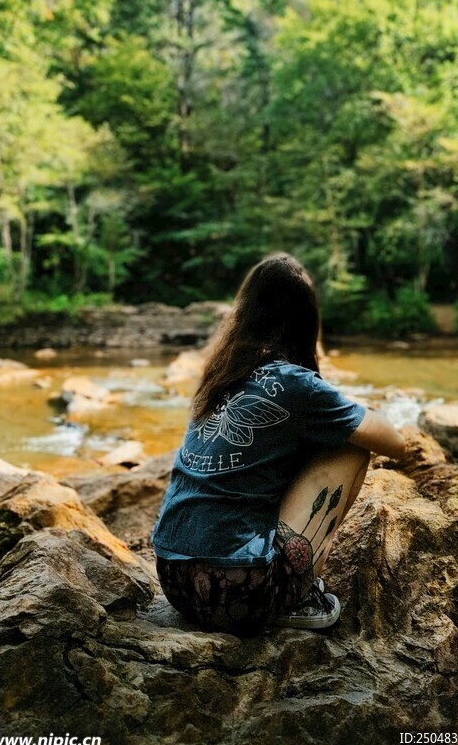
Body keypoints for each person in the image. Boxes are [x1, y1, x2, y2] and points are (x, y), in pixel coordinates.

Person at [151, 251, 412, 638]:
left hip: (174, 580)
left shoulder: (221, 376)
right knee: (352, 447)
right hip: (236, 593)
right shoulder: (297, 384)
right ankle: (298, 596)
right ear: (306, 321)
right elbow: (396, 443)